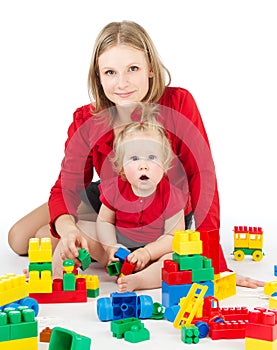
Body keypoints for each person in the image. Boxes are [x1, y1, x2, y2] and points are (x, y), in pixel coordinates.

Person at [8, 20, 264, 289]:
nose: (122, 83)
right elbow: (66, 188)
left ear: (150, 69)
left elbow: (201, 175)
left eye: (132, 68)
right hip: (113, 197)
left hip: (161, 205)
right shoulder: (88, 119)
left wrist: (212, 261)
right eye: (110, 72)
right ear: (98, 76)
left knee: (47, 238)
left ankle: (121, 253)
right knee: (20, 238)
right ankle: (89, 245)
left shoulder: (178, 104)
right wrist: (68, 227)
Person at [96, 111, 187, 291]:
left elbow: (172, 237)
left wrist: (148, 252)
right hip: (121, 249)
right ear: (121, 167)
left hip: (155, 252)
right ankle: (57, 273)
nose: (143, 165)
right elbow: (104, 221)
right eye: (134, 158)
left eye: (152, 158)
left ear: (165, 164)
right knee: (84, 232)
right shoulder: (114, 189)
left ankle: (140, 280)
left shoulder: (172, 196)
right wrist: (110, 247)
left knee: (174, 258)